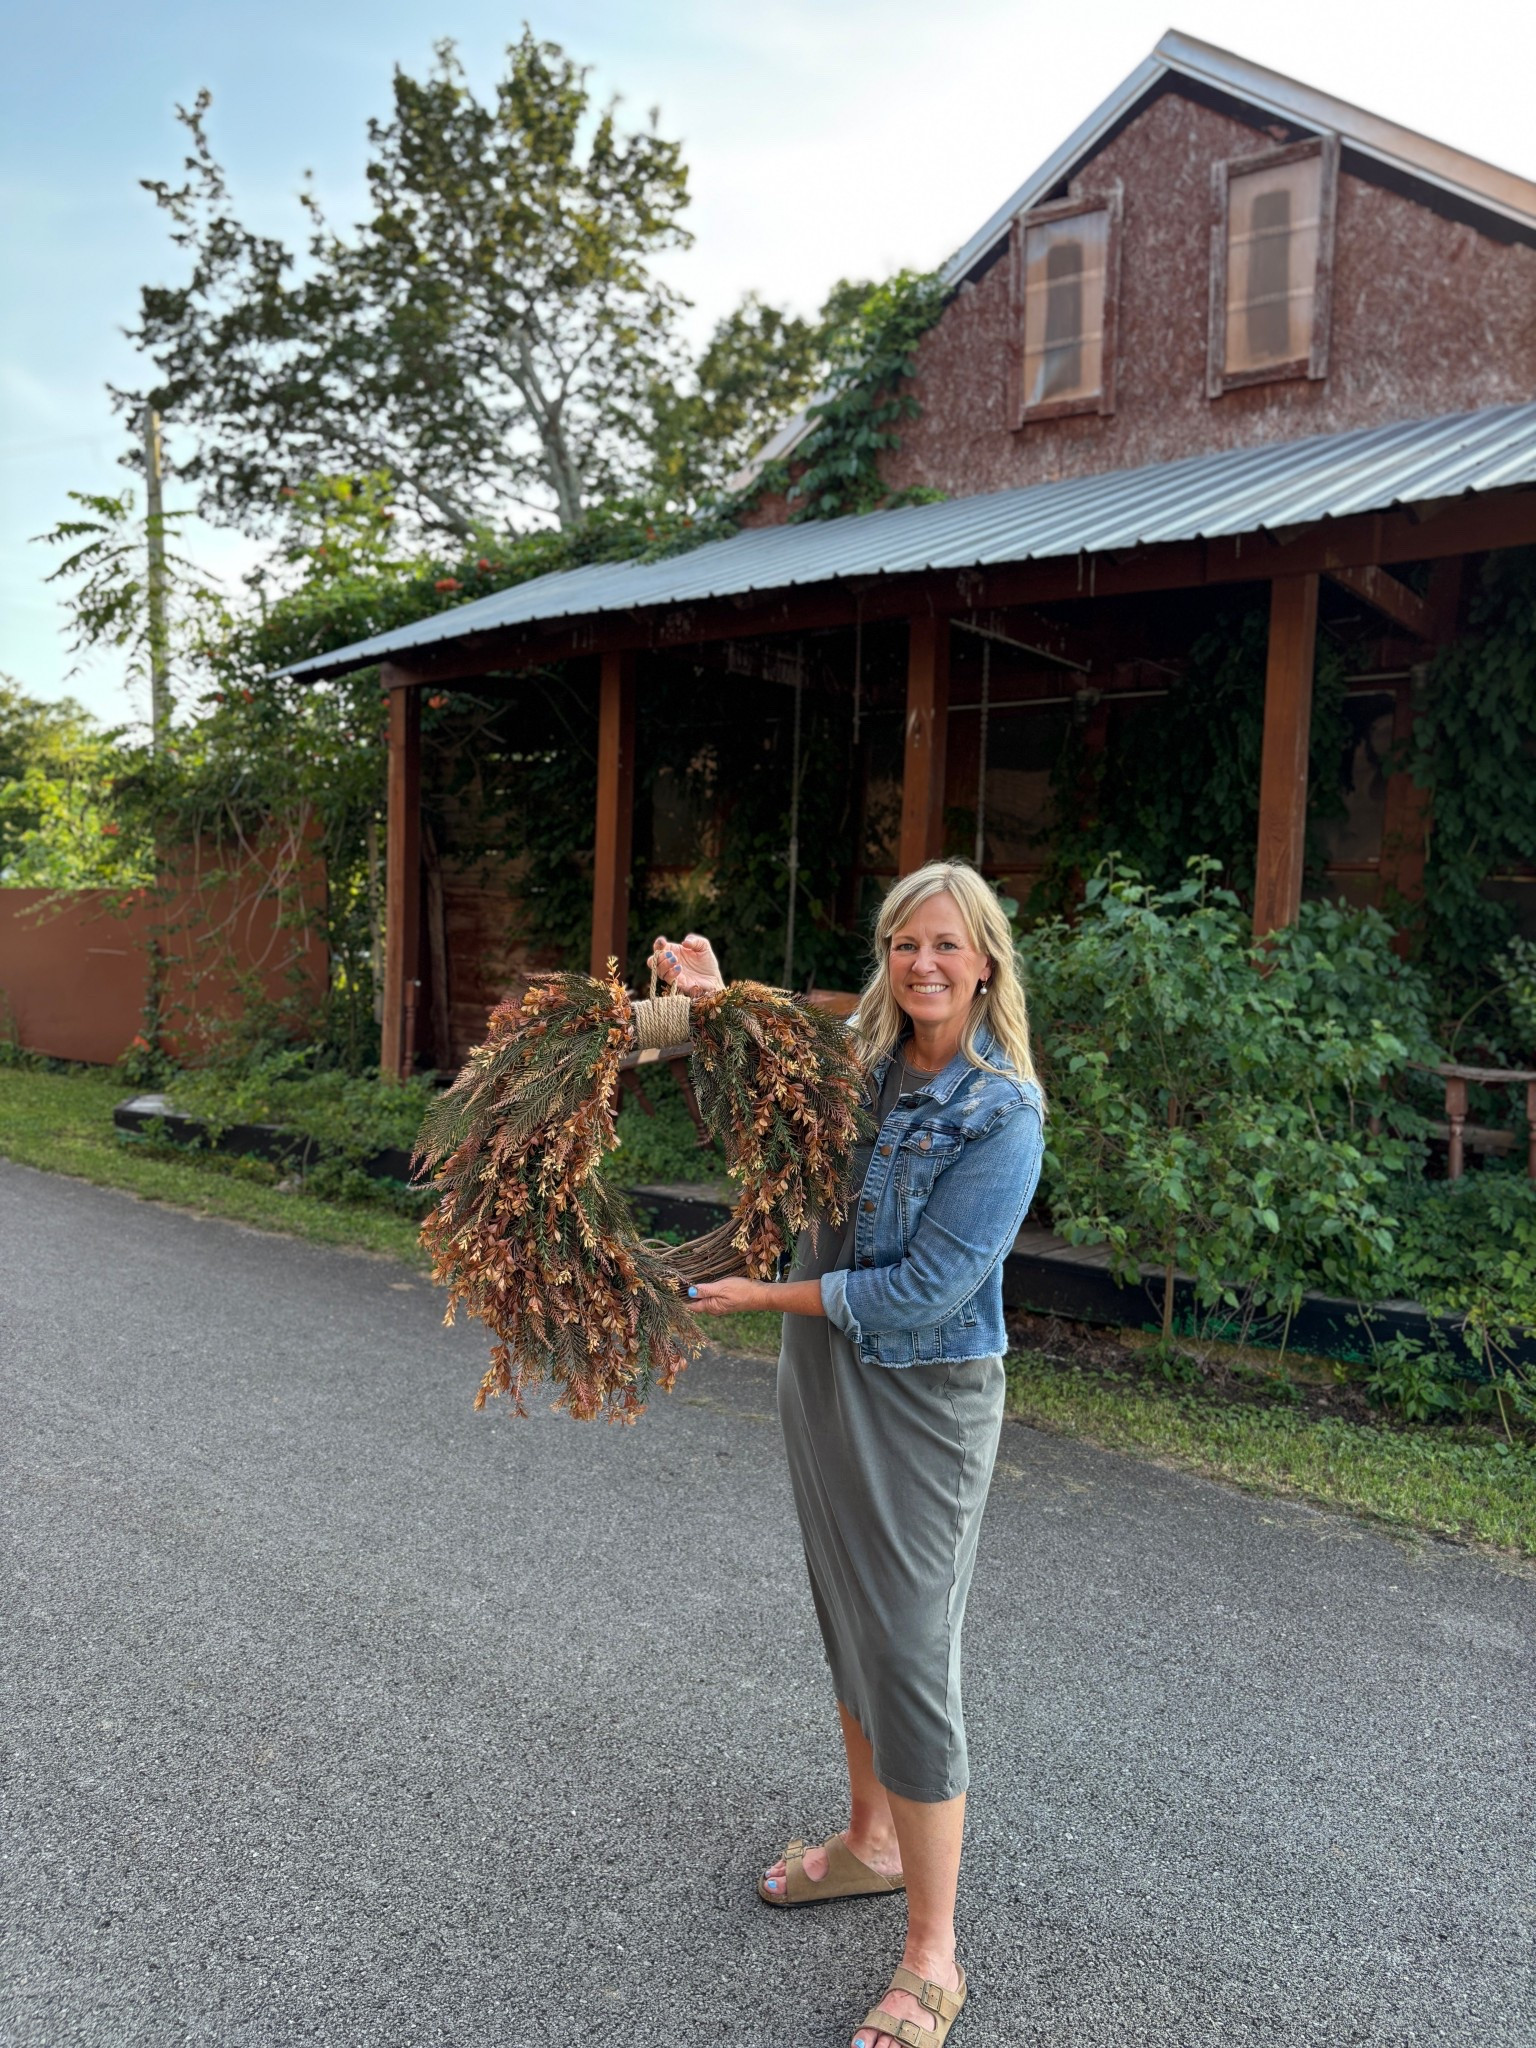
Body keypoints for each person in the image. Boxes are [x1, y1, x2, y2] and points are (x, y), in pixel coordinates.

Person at [650, 859, 1045, 2048]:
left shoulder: (1001, 1111)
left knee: (913, 1644)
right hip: (821, 1372)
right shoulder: (859, 1065)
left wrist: (759, 1292)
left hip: (921, 1394)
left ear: (985, 963)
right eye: (902, 943)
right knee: (848, 1612)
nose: (922, 963)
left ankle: (934, 1951)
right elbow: (775, 1089)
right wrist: (714, 1004)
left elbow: (929, 1291)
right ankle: (870, 1841)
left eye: (946, 945)